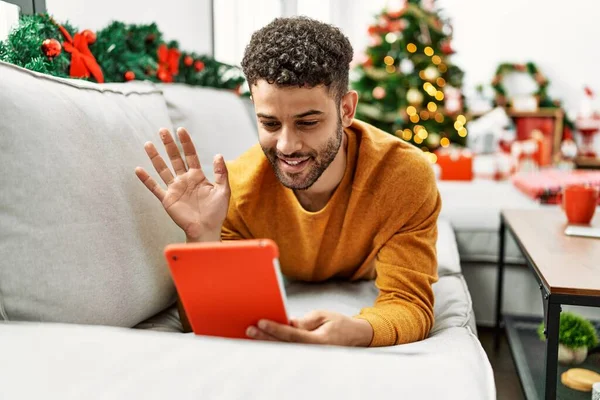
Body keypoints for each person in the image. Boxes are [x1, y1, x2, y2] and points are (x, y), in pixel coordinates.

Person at [135, 16, 441, 347]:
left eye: (307, 122)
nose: (286, 146)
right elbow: (206, 321)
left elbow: (409, 303)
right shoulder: (238, 190)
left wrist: (357, 331)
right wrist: (203, 236)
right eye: (269, 124)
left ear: (347, 109)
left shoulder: (403, 176)